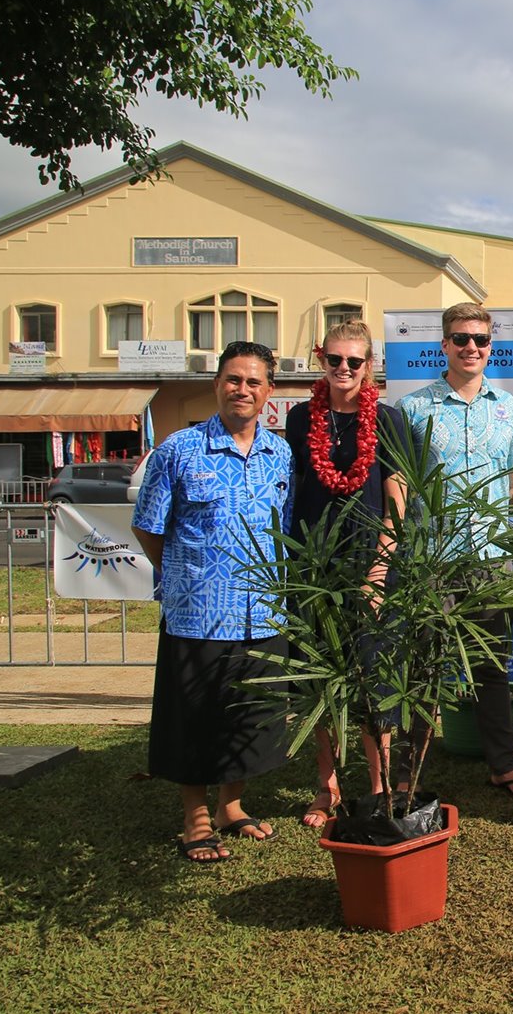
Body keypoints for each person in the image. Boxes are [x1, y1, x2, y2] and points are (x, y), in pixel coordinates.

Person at [132, 341, 293, 863]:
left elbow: (284, 529)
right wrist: (188, 573)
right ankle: (196, 819)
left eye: (252, 381)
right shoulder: (178, 450)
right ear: (216, 384)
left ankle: (232, 805)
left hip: (262, 610)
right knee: (194, 718)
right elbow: (149, 528)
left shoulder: (280, 454)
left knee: (248, 716)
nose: (241, 389)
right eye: (232, 379)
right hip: (198, 612)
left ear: (269, 392)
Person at [397, 302, 513, 799]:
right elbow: (400, 482)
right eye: (461, 339)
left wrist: (493, 523)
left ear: (490, 346)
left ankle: (503, 764)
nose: (471, 348)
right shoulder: (413, 408)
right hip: (429, 562)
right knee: (421, 667)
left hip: (488, 561)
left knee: (491, 667)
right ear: (444, 345)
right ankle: (405, 773)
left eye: (480, 340)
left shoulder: (509, 407)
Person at [285, 320, 411, 826]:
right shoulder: (299, 419)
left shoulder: (389, 420)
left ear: (370, 365)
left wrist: (380, 570)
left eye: (354, 361)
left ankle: (378, 785)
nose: (343, 369)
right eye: (334, 359)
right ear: (321, 360)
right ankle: (328, 784)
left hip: (369, 564)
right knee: (321, 676)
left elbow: (397, 499)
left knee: (372, 676)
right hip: (314, 564)